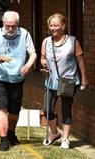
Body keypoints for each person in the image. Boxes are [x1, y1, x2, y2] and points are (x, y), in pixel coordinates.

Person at [0, 11, 37, 151]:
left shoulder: (25, 34)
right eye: (7, 26)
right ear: (3, 23)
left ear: (17, 24)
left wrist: (27, 65)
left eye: (13, 26)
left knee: (14, 110)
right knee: (2, 107)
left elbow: (33, 53)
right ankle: (3, 140)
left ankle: (11, 133)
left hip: (17, 77)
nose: (10, 29)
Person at [41, 13, 89, 149]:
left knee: (66, 110)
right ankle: (54, 133)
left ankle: (66, 139)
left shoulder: (73, 41)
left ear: (63, 26)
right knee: (47, 109)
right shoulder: (46, 41)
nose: (53, 28)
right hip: (51, 81)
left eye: (56, 25)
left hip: (68, 81)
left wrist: (84, 79)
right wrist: (44, 63)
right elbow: (43, 57)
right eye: (51, 25)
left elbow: (80, 61)